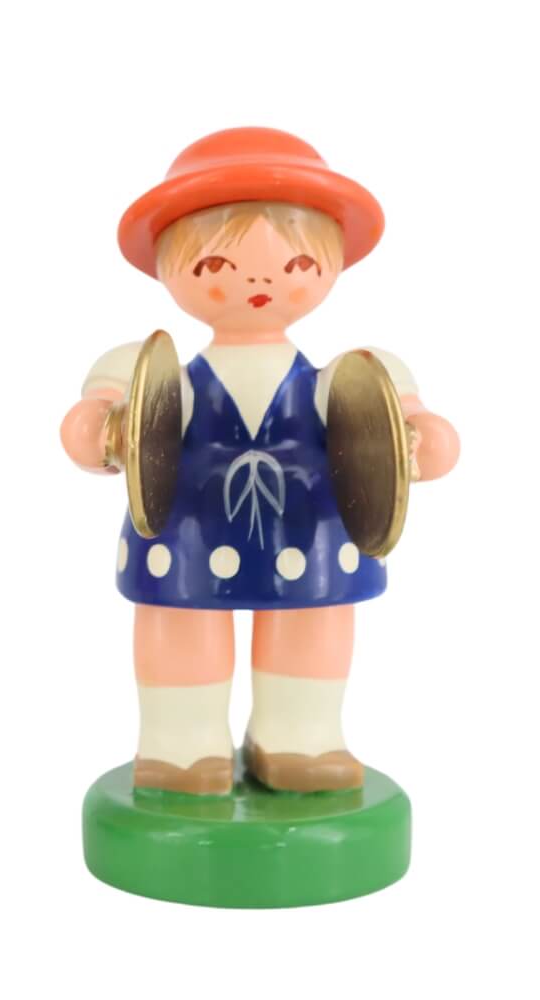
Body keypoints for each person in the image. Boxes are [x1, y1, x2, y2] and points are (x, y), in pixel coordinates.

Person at [61, 128, 460, 795]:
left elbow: (409, 424)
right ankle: (181, 744)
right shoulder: (154, 369)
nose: (260, 282)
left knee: (314, 619)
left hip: (313, 524)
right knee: (181, 621)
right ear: (167, 269)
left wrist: (422, 439)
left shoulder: (350, 376)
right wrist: (100, 428)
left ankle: (299, 738)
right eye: (216, 267)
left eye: (296, 265)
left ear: (332, 267)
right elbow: (99, 416)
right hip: (185, 523)